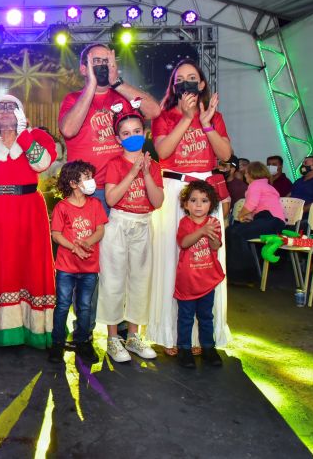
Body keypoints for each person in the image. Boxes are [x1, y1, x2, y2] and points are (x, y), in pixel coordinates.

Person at [149, 58, 233, 355]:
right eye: (179, 78)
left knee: (205, 260)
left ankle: (203, 336)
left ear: (201, 84)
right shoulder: (164, 117)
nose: (186, 82)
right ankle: (171, 333)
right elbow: (162, 152)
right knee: (172, 259)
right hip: (174, 190)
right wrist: (186, 117)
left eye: (192, 77)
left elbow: (224, 154)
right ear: (174, 85)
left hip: (205, 192)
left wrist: (206, 123)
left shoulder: (214, 115)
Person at [0, 94, 56, 348]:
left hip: (28, 208)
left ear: (21, 113)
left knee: (32, 263)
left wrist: (23, 133)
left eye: (11, 107)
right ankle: (0, 328)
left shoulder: (37, 136)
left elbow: (42, 163)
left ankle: (34, 328)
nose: (5, 111)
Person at [58, 43, 161, 212]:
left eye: (106, 61)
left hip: (124, 183)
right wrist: (92, 85)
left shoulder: (124, 96)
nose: (102, 66)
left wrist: (117, 82)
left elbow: (154, 111)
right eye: (96, 61)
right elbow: (68, 130)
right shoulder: (73, 99)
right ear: (84, 69)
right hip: (88, 188)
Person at [99, 107, 164, 362]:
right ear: (118, 138)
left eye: (137, 131)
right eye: (126, 133)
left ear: (145, 132)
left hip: (143, 224)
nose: (132, 136)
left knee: (140, 280)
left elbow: (157, 201)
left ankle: (134, 336)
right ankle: (113, 338)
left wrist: (146, 172)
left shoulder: (154, 166)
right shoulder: (114, 164)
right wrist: (133, 172)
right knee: (113, 280)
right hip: (119, 224)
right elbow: (112, 199)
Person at [48, 160, 107, 364]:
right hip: (66, 267)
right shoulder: (62, 207)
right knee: (62, 305)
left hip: (89, 267)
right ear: (73, 183)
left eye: (91, 176)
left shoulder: (96, 205)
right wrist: (75, 247)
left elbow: (100, 229)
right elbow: (56, 234)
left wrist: (87, 243)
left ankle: (83, 342)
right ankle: (57, 344)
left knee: (85, 306)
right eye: (87, 177)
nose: (92, 181)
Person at [174, 181, 225, 368]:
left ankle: (208, 348)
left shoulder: (214, 223)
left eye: (204, 201)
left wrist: (210, 235)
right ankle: (184, 349)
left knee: (206, 316)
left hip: (206, 281)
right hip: (187, 281)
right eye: (193, 200)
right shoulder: (185, 223)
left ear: (210, 204)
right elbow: (185, 242)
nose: (198, 205)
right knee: (186, 317)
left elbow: (215, 247)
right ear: (186, 204)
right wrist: (202, 231)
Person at [226, 162, 286, 276]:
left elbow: (251, 205)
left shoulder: (255, 185)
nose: (245, 176)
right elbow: (259, 207)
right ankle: (242, 272)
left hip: (270, 220)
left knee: (234, 232)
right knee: (232, 231)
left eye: (246, 173)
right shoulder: (267, 186)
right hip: (273, 221)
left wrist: (240, 216)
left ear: (250, 174)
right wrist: (249, 216)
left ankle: (244, 274)